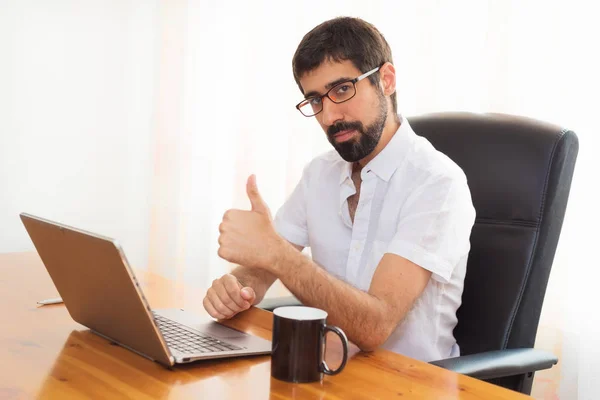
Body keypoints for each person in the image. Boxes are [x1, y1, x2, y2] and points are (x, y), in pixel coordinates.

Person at [202, 17, 475, 362]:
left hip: (408, 384)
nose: (329, 116)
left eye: (342, 89)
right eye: (315, 100)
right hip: (328, 371)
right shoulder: (320, 173)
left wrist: (275, 253)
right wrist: (236, 288)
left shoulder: (437, 183)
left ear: (386, 80)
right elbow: (264, 266)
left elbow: (375, 326)